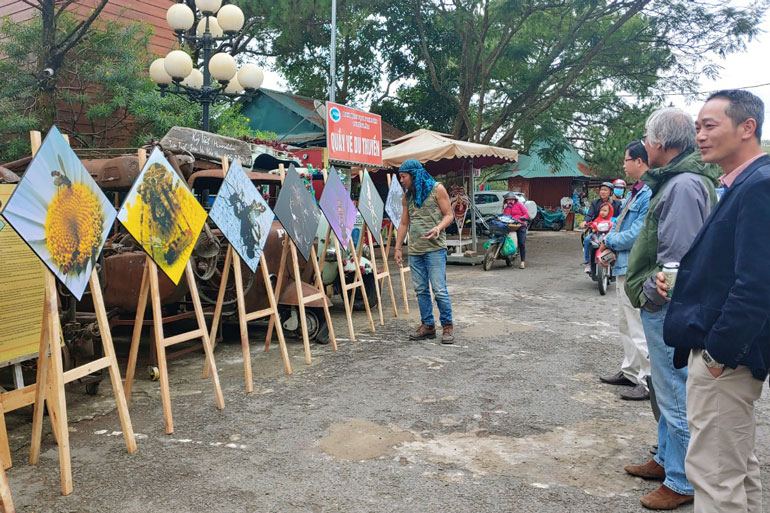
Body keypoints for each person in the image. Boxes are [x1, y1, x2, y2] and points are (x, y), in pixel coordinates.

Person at [659, 90, 769, 513]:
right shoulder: (741, 184)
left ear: (747, 127)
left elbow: (757, 283)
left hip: (726, 359)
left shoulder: (759, 185)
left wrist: (721, 353)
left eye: (709, 126)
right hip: (725, 355)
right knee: (737, 468)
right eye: (697, 127)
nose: (700, 136)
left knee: (714, 475)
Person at [623, 107, 720, 510]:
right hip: (663, 304)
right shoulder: (679, 180)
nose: (644, 146)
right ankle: (666, 459)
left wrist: (651, 293)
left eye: (647, 138)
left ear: (661, 143)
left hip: (667, 306)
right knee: (664, 389)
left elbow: (676, 261)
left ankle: (682, 479)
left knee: (675, 392)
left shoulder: (681, 186)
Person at [599, 140, 653, 401]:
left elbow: (637, 234)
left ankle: (646, 379)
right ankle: (630, 371)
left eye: (627, 160)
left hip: (635, 266)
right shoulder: (636, 191)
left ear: (640, 162)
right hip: (624, 266)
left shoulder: (649, 192)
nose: (624, 164)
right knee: (625, 322)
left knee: (637, 324)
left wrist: (609, 241)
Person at [394, 159, 455, 344]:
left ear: (414, 174)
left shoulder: (437, 189)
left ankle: (447, 326)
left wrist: (438, 228)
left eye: (403, 176)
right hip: (415, 251)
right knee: (421, 290)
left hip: (435, 249)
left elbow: (449, 215)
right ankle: (427, 325)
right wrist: (397, 248)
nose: (401, 180)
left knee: (439, 289)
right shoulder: (407, 197)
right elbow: (404, 223)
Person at [580, 182, 621, 267]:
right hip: (597, 230)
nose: (603, 192)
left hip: (612, 231)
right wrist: (585, 222)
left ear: (611, 192)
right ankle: (588, 260)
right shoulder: (595, 203)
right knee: (587, 239)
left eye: (605, 190)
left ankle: (618, 261)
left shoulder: (617, 204)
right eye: (601, 190)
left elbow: (621, 217)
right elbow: (589, 215)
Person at [502, 192, 529, 269]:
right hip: (511, 226)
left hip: (521, 225)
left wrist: (521, 218)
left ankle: (522, 261)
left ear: (514, 199)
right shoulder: (506, 209)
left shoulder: (519, 205)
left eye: (512, 199)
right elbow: (504, 217)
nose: (510, 201)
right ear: (506, 201)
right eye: (508, 200)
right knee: (506, 241)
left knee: (521, 243)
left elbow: (526, 214)